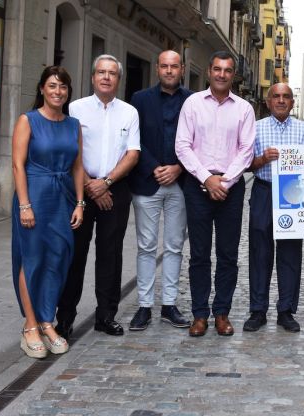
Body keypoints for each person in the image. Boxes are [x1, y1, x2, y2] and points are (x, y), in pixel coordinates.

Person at [55, 55, 140, 339]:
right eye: (101, 72)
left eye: (112, 73)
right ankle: (64, 319)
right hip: (80, 187)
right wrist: (91, 185)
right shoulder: (75, 108)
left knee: (110, 255)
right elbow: (70, 152)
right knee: (74, 255)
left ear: (118, 79)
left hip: (115, 189)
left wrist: (105, 183)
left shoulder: (129, 112)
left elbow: (133, 153)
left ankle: (106, 316)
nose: (106, 77)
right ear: (92, 77)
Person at [175, 51, 255, 337]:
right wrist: (208, 179)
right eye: (217, 69)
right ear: (209, 71)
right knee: (198, 254)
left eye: (228, 70)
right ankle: (199, 315)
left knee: (228, 254)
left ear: (234, 75)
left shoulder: (244, 108)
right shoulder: (192, 104)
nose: (222, 75)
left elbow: (247, 150)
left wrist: (226, 181)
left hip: (231, 190)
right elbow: (182, 146)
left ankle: (221, 313)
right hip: (198, 185)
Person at [12, 66, 85, 358]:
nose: (58, 92)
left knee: (58, 259)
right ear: (42, 88)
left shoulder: (73, 124)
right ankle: (30, 325)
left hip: (63, 198)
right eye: (52, 86)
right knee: (32, 259)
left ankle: (46, 321)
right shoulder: (27, 120)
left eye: (63, 87)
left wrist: (80, 202)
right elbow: (18, 164)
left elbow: (78, 165)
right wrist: (24, 204)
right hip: (35, 195)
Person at [127, 50, 192, 331]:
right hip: (147, 182)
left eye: (174, 66)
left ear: (182, 69)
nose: (169, 71)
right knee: (146, 246)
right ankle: (143, 306)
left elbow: (198, 140)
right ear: (157, 68)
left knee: (175, 246)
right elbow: (134, 138)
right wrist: (155, 167)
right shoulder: (139, 100)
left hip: (181, 182)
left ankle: (168, 305)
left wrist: (178, 167)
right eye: (164, 66)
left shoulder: (193, 101)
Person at [243, 83, 304, 333]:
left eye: (286, 97)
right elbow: (245, 163)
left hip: (294, 194)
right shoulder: (256, 128)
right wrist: (262, 159)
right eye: (276, 96)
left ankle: (286, 311)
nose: (281, 100)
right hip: (263, 190)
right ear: (268, 101)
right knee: (259, 252)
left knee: (291, 252)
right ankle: (258, 310)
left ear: (293, 102)